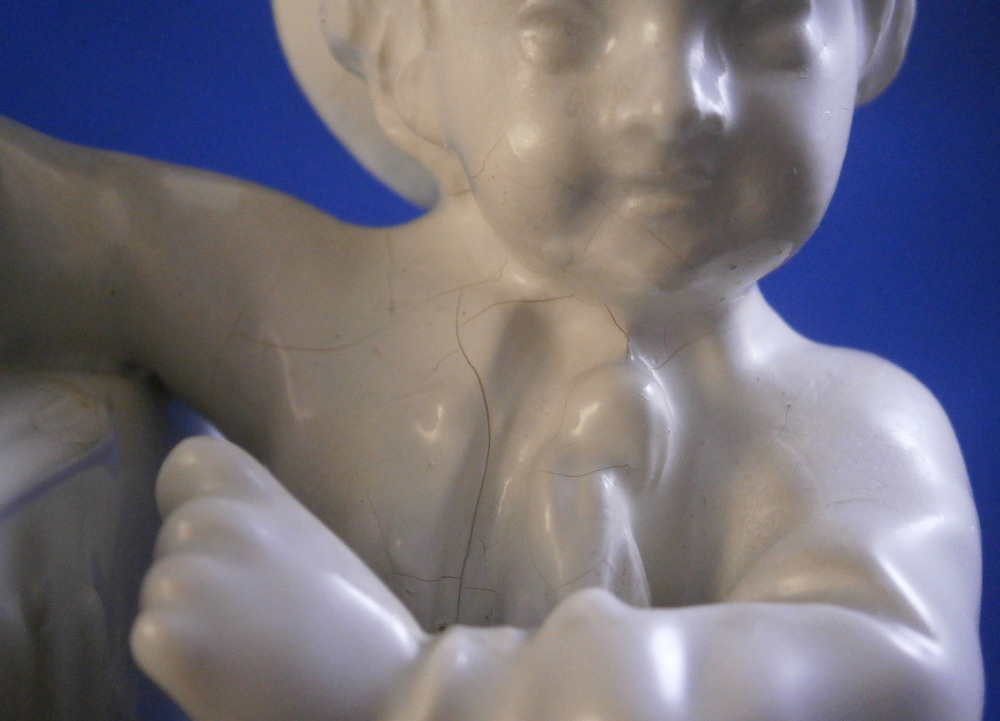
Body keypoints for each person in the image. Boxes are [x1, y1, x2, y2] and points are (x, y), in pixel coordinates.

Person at [0, 0, 984, 719]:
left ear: (874, 32)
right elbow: (75, 230)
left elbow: (898, 674)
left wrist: (403, 689)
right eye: (562, 27)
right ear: (405, 52)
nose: (674, 102)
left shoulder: (850, 426)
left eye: (761, 20)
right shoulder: (304, 307)